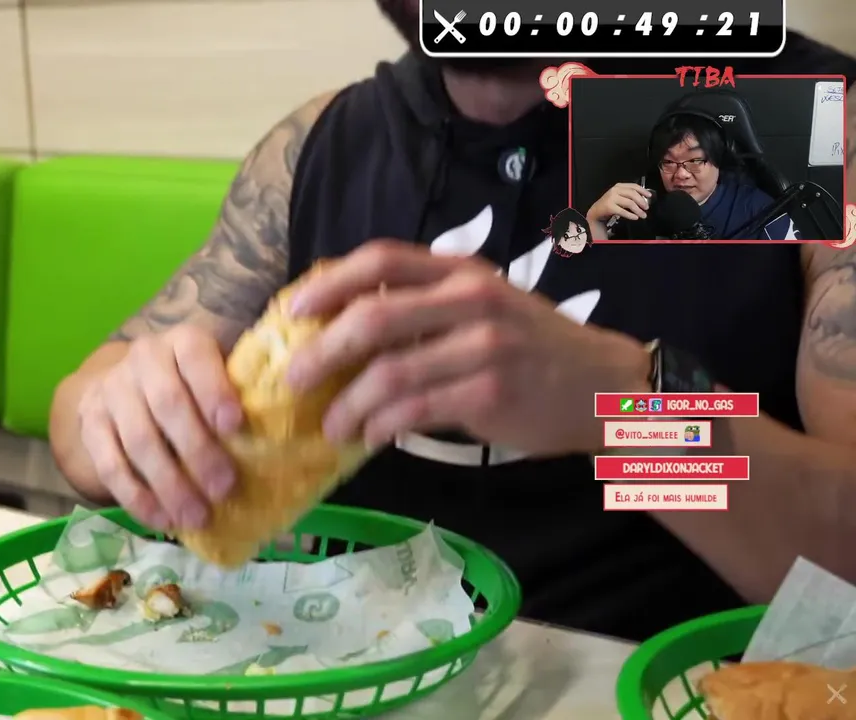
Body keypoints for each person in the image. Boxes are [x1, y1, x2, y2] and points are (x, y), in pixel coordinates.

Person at [49, 0, 856, 642]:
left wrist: (621, 409)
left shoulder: (805, 124)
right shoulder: (322, 141)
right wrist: (126, 413)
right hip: (331, 668)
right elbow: (82, 418)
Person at [588, 113, 795, 240]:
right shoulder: (639, 204)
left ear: (718, 160)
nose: (681, 174)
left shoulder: (758, 209)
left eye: (695, 160)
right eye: (668, 162)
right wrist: (595, 220)